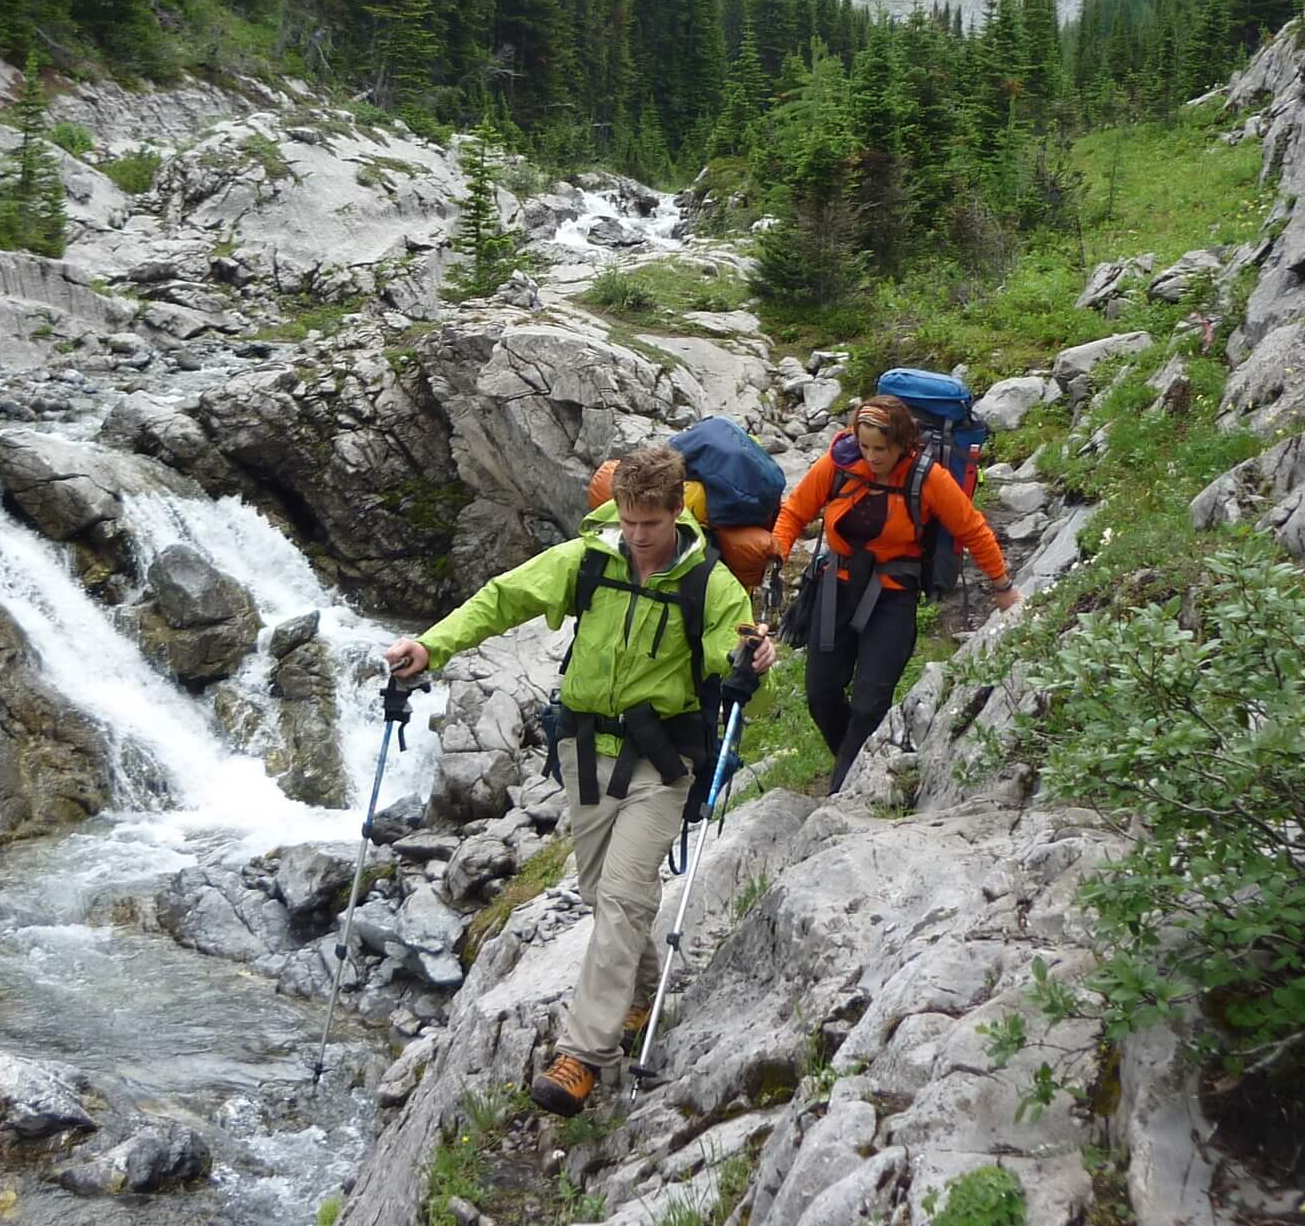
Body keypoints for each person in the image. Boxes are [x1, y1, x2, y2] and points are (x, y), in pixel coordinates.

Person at [381, 445, 776, 1117]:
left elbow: (727, 648)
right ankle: (641, 994)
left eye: (649, 523)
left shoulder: (709, 583)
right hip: (585, 751)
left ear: (677, 512)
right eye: (627, 520)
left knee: (622, 896)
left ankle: (581, 1054)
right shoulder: (589, 559)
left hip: (663, 762)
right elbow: (505, 597)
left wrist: (748, 656)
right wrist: (432, 645)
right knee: (601, 893)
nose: (637, 535)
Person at [772, 395, 1015, 795]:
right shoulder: (838, 463)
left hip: (892, 596)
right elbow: (795, 512)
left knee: (870, 702)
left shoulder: (927, 478)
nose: (871, 456)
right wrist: (778, 551)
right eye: (865, 446)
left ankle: (839, 793)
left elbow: (972, 528)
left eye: (881, 449)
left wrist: (1002, 587)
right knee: (820, 694)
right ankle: (855, 764)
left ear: (903, 443)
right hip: (837, 586)